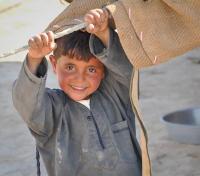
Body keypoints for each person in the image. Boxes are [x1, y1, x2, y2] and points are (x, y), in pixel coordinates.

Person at [12, 9, 142, 176]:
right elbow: (25, 101)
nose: (80, 79)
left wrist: (103, 33)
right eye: (70, 67)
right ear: (53, 63)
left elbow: (126, 71)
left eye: (91, 69)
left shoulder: (116, 95)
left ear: (104, 70)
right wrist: (34, 58)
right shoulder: (49, 110)